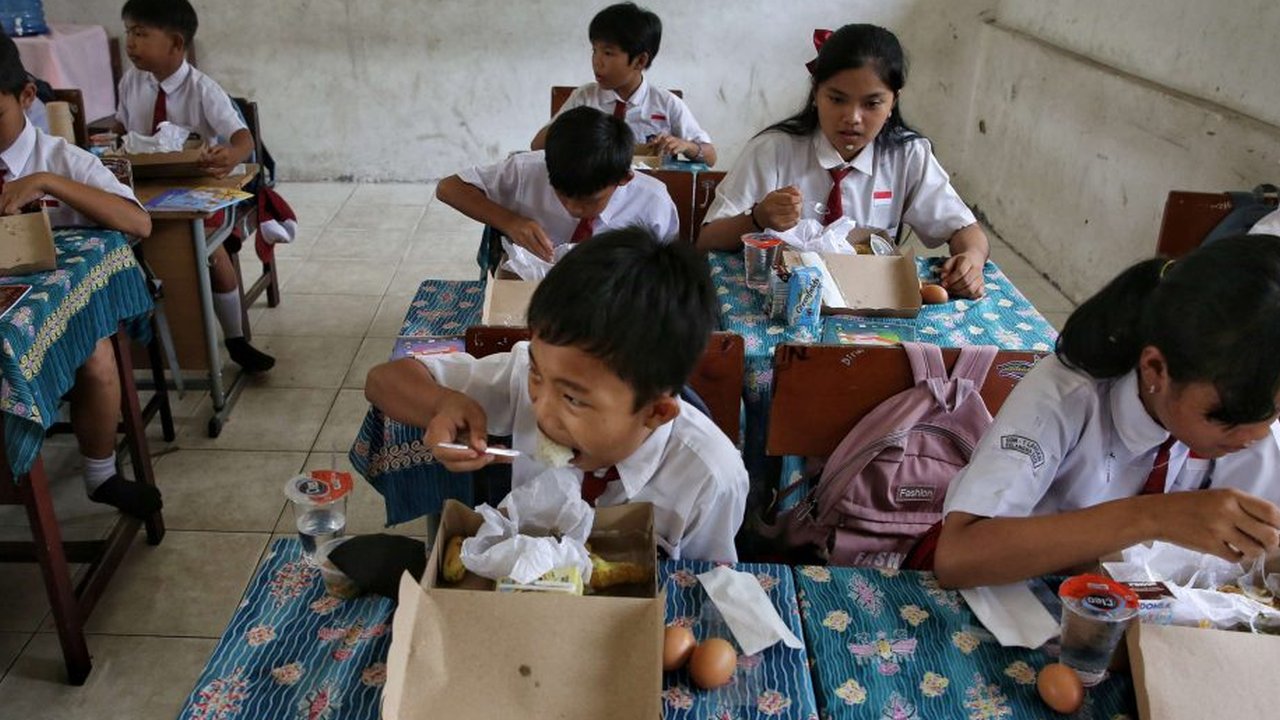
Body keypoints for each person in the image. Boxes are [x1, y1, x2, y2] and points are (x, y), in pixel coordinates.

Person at [917, 234, 1280, 589]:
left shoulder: (1249, 416)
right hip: (1003, 591)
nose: (1255, 436)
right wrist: (1154, 518)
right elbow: (959, 556)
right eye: (1229, 415)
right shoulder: (1066, 396)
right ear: (1155, 369)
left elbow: (1260, 556)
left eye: (1274, 412)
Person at [365, 228, 748, 562]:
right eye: (537, 372)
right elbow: (384, 380)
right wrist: (443, 404)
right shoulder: (527, 379)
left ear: (655, 412)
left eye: (574, 400)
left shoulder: (710, 478)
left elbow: (697, 587)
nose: (542, 411)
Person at [698, 24, 988, 299]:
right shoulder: (773, 150)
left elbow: (965, 230)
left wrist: (971, 260)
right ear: (816, 93)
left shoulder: (907, 156)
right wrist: (757, 218)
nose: (852, 117)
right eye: (837, 99)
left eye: (872, 103)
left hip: (870, 304)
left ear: (893, 103)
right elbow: (708, 238)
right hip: (783, 300)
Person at [0, 35, 161, 519]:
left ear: (27, 97)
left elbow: (139, 223)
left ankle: (101, 473)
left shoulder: (61, 159)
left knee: (96, 357)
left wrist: (48, 183)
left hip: (67, 319)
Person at [114, 0, 274, 373]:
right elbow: (125, 132)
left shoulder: (203, 89)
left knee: (208, 252)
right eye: (128, 34)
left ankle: (235, 338)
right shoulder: (130, 82)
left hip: (200, 191)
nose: (131, 44)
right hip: (144, 188)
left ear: (175, 44)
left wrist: (229, 154)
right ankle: (147, 342)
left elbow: (243, 139)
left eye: (140, 34)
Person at [437, 106, 678, 262]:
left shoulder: (653, 201)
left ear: (623, 179)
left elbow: (666, 266)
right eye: (563, 195)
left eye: (589, 200)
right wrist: (510, 221)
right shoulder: (528, 170)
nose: (573, 208)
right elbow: (449, 188)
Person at [530, 2, 716, 166]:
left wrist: (686, 146)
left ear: (640, 61)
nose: (597, 61)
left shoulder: (666, 103)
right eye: (594, 50)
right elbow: (536, 146)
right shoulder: (585, 98)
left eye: (608, 53)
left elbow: (710, 157)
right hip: (593, 192)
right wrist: (573, 127)